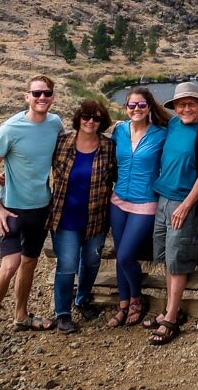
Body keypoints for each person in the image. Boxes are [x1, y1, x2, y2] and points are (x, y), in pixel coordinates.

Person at [0, 75, 64, 345]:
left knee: (29, 263)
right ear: (26, 96)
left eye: (46, 94)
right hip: (11, 209)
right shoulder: (10, 128)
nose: (41, 98)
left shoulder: (55, 124)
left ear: (52, 96)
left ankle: (21, 316)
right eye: (36, 94)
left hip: (39, 207)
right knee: (10, 264)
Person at [150, 81, 198, 345]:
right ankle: (173, 309)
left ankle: (169, 319)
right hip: (163, 200)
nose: (186, 108)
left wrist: (186, 205)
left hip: (183, 205)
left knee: (178, 260)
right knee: (168, 258)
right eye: (181, 104)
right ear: (175, 107)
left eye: (191, 103)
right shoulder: (173, 125)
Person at [45, 98, 116, 333]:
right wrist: (7, 176)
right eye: (86, 117)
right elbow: (35, 163)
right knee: (66, 265)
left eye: (96, 118)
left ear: (101, 121)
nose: (90, 122)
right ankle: (62, 313)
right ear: (79, 118)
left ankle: (82, 299)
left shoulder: (108, 147)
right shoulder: (62, 142)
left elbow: (118, 175)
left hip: (96, 217)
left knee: (92, 261)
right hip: (65, 216)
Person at [106, 86, 169, 328]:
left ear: (150, 107)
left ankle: (136, 298)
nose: (136, 109)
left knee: (126, 255)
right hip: (118, 201)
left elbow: (177, 157)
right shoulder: (119, 130)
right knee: (120, 256)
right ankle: (123, 304)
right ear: (126, 108)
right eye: (132, 105)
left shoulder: (161, 134)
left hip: (145, 203)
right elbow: (106, 159)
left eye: (142, 105)